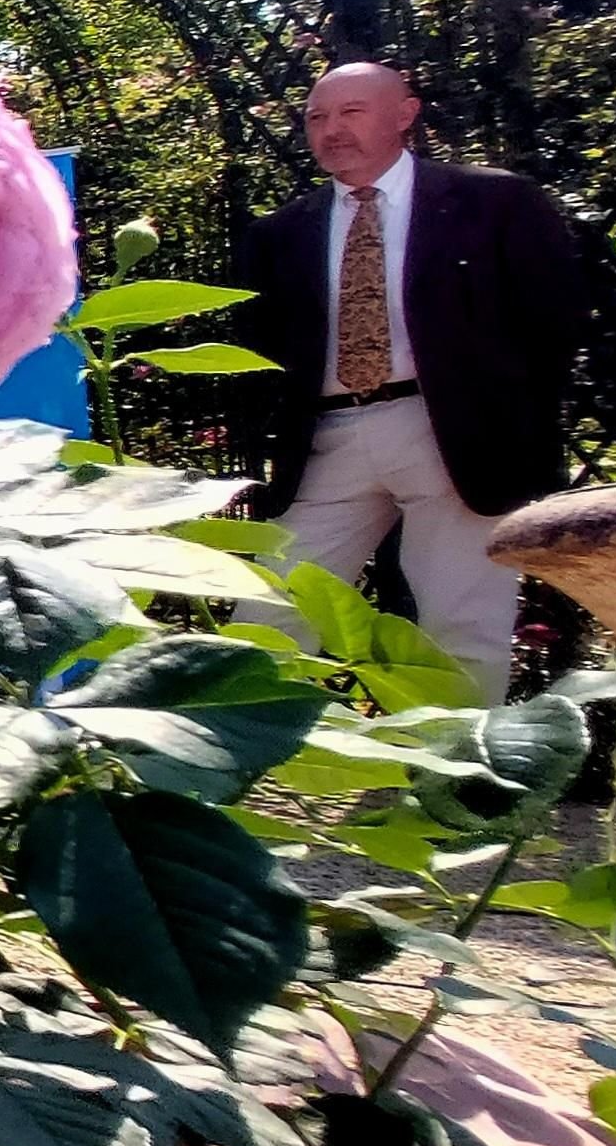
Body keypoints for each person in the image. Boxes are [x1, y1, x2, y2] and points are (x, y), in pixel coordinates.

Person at [240, 60, 585, 701]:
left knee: (463, 622)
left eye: (351, 112)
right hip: (330, 437)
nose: (331, 130)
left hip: (452, 433)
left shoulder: (493, 203)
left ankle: (450, 788)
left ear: (405, 114)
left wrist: (504, 414)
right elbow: (264, 346)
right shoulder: (283, 232)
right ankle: (232, 768)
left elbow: (554, 321)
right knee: (272, 610)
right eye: (317, 117)